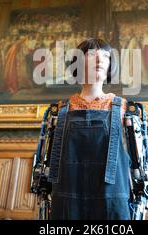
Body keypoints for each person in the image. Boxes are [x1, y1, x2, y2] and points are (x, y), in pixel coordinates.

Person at [47, 38, 132, 220]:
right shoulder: (61, 109)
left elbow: (137, 166)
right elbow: (47, 164)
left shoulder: (124, 109)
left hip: (111, 203)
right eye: (92, 54)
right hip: (67, 203)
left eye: (106, 56)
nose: (100, 60)